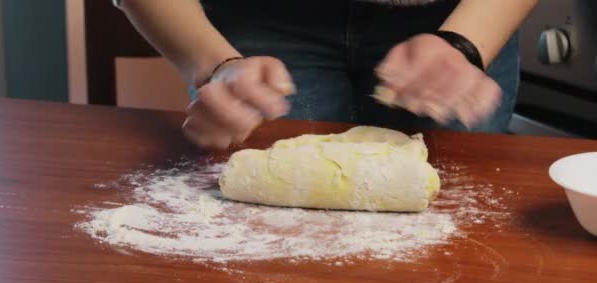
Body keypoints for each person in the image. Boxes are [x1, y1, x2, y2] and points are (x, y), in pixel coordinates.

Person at [115, 0, 537, 149]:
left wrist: (464, 42)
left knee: (452, 223)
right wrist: (215, 64)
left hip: (456, 14)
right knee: (264, 223)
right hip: (260, 18)